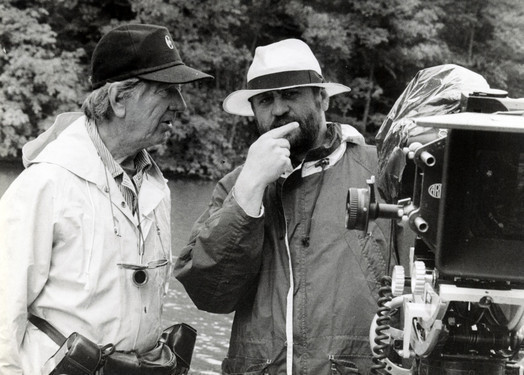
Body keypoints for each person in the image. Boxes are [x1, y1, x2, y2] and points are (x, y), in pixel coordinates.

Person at [0, 23, 212, 374]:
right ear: (118, 99)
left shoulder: (157, 188)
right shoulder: (46, 183)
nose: (181, 104)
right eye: (166, 91)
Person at [174, 38, 391, 375]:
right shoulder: (236, 185)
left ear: (322, 98)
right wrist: (249, 191)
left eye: (290, 94)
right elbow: (210, 295)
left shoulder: (381, 173)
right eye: (265, 100)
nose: (277, 110)